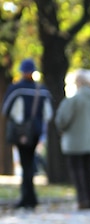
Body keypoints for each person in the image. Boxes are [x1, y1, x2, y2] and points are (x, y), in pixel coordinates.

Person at [1, 58, 53, 210]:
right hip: (36, 130)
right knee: (29, 162)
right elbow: (48, 114)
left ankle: (27, 197)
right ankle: (30, 197)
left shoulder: (16, 89)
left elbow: (6, 109)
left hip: (21, 131)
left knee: (25, 163)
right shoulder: (42, 90)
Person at [55, 69, 90, 210]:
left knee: (76, 171)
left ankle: (82, 199)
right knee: (88, 172)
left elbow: (62, 119)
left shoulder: (75, 99)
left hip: (74, 141)